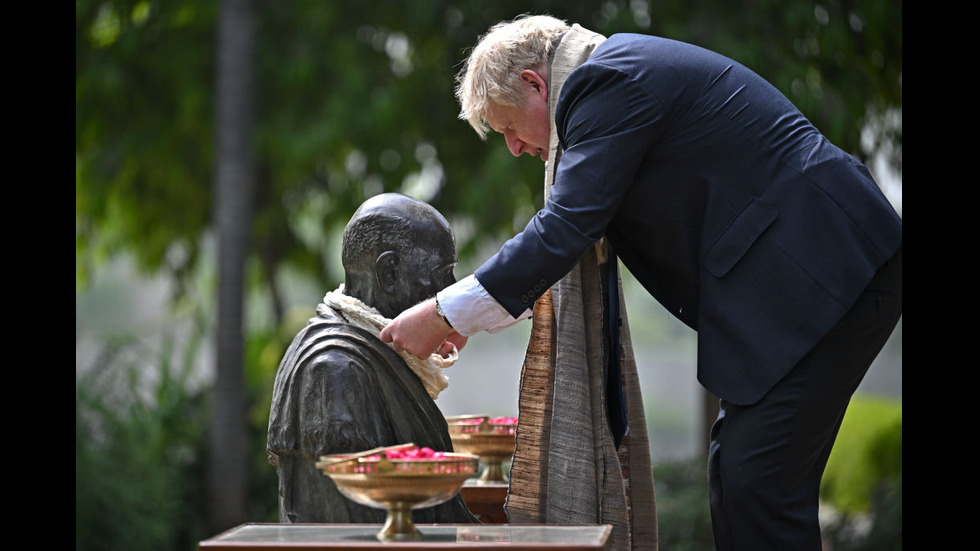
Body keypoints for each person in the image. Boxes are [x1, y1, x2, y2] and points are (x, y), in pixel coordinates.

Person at [380, 14, 902, 551]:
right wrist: (470, 317)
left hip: (827, 266)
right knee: (741, 478)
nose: (514, 147)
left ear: (536, 84)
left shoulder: (606, 81)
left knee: (758, 486)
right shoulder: (615, 75)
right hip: (810, 279)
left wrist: (443, 313)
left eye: (510, 126)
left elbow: (565, 227)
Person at [267, 193, 479, 525]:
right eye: (442, 274)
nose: (449, 289)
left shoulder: (371, 353)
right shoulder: (334, 370)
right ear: (389, 273)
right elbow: (357, 528)